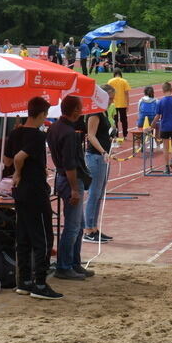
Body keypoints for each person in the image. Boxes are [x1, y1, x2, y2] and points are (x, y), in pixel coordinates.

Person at [4, 96, 62, 299]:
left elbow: (7, 159)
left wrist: (18, 170)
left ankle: (24, 281)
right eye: (45, 115)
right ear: (41, 114)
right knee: (44, 238)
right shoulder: (37, 136)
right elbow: (19, 158)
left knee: (24, 236)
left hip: (20, 192)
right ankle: (39, 284)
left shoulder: (15, 132)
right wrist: (20, 172)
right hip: (34, 191)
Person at [46, 95, 93, 281]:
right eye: (80, 107)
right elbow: (70, 164)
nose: (82, 110)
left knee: (78, 225)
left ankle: (73, 262)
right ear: (75, 110)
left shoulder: (55, 128)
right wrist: (74, 189)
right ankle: (64, 266)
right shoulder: (67, 133)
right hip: (70, 180)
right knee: (73, 226)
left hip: (63, 177)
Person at [83, 85, 115, 244]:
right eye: (110, 98)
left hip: (103, 157)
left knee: (99, 194)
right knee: (93, 194)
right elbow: (90, 135)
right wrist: (103, 151)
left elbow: (101, 134)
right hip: (95, 157)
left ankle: (94, 228)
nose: (113, 101)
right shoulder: (95, 112)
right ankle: (88, 229)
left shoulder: (104, 111)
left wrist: (110, 137)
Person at [153, 82, 172, 174]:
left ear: (163, 91)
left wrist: (152, 125)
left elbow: (157, 116)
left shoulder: (160, 102)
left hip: (164, 127)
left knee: (165, 148)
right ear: (171, 90)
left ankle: (166, 168)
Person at [109, 68, 131, 140]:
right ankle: (125, 135)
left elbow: (107, 93)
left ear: (114, 74)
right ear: (120, 74)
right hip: (122, 104)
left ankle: (116, 136)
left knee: (114, 121)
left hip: (113, 104)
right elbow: (127, 94)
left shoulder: (110, 81)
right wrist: (128, 104)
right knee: (124, 120)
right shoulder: (124, 81)